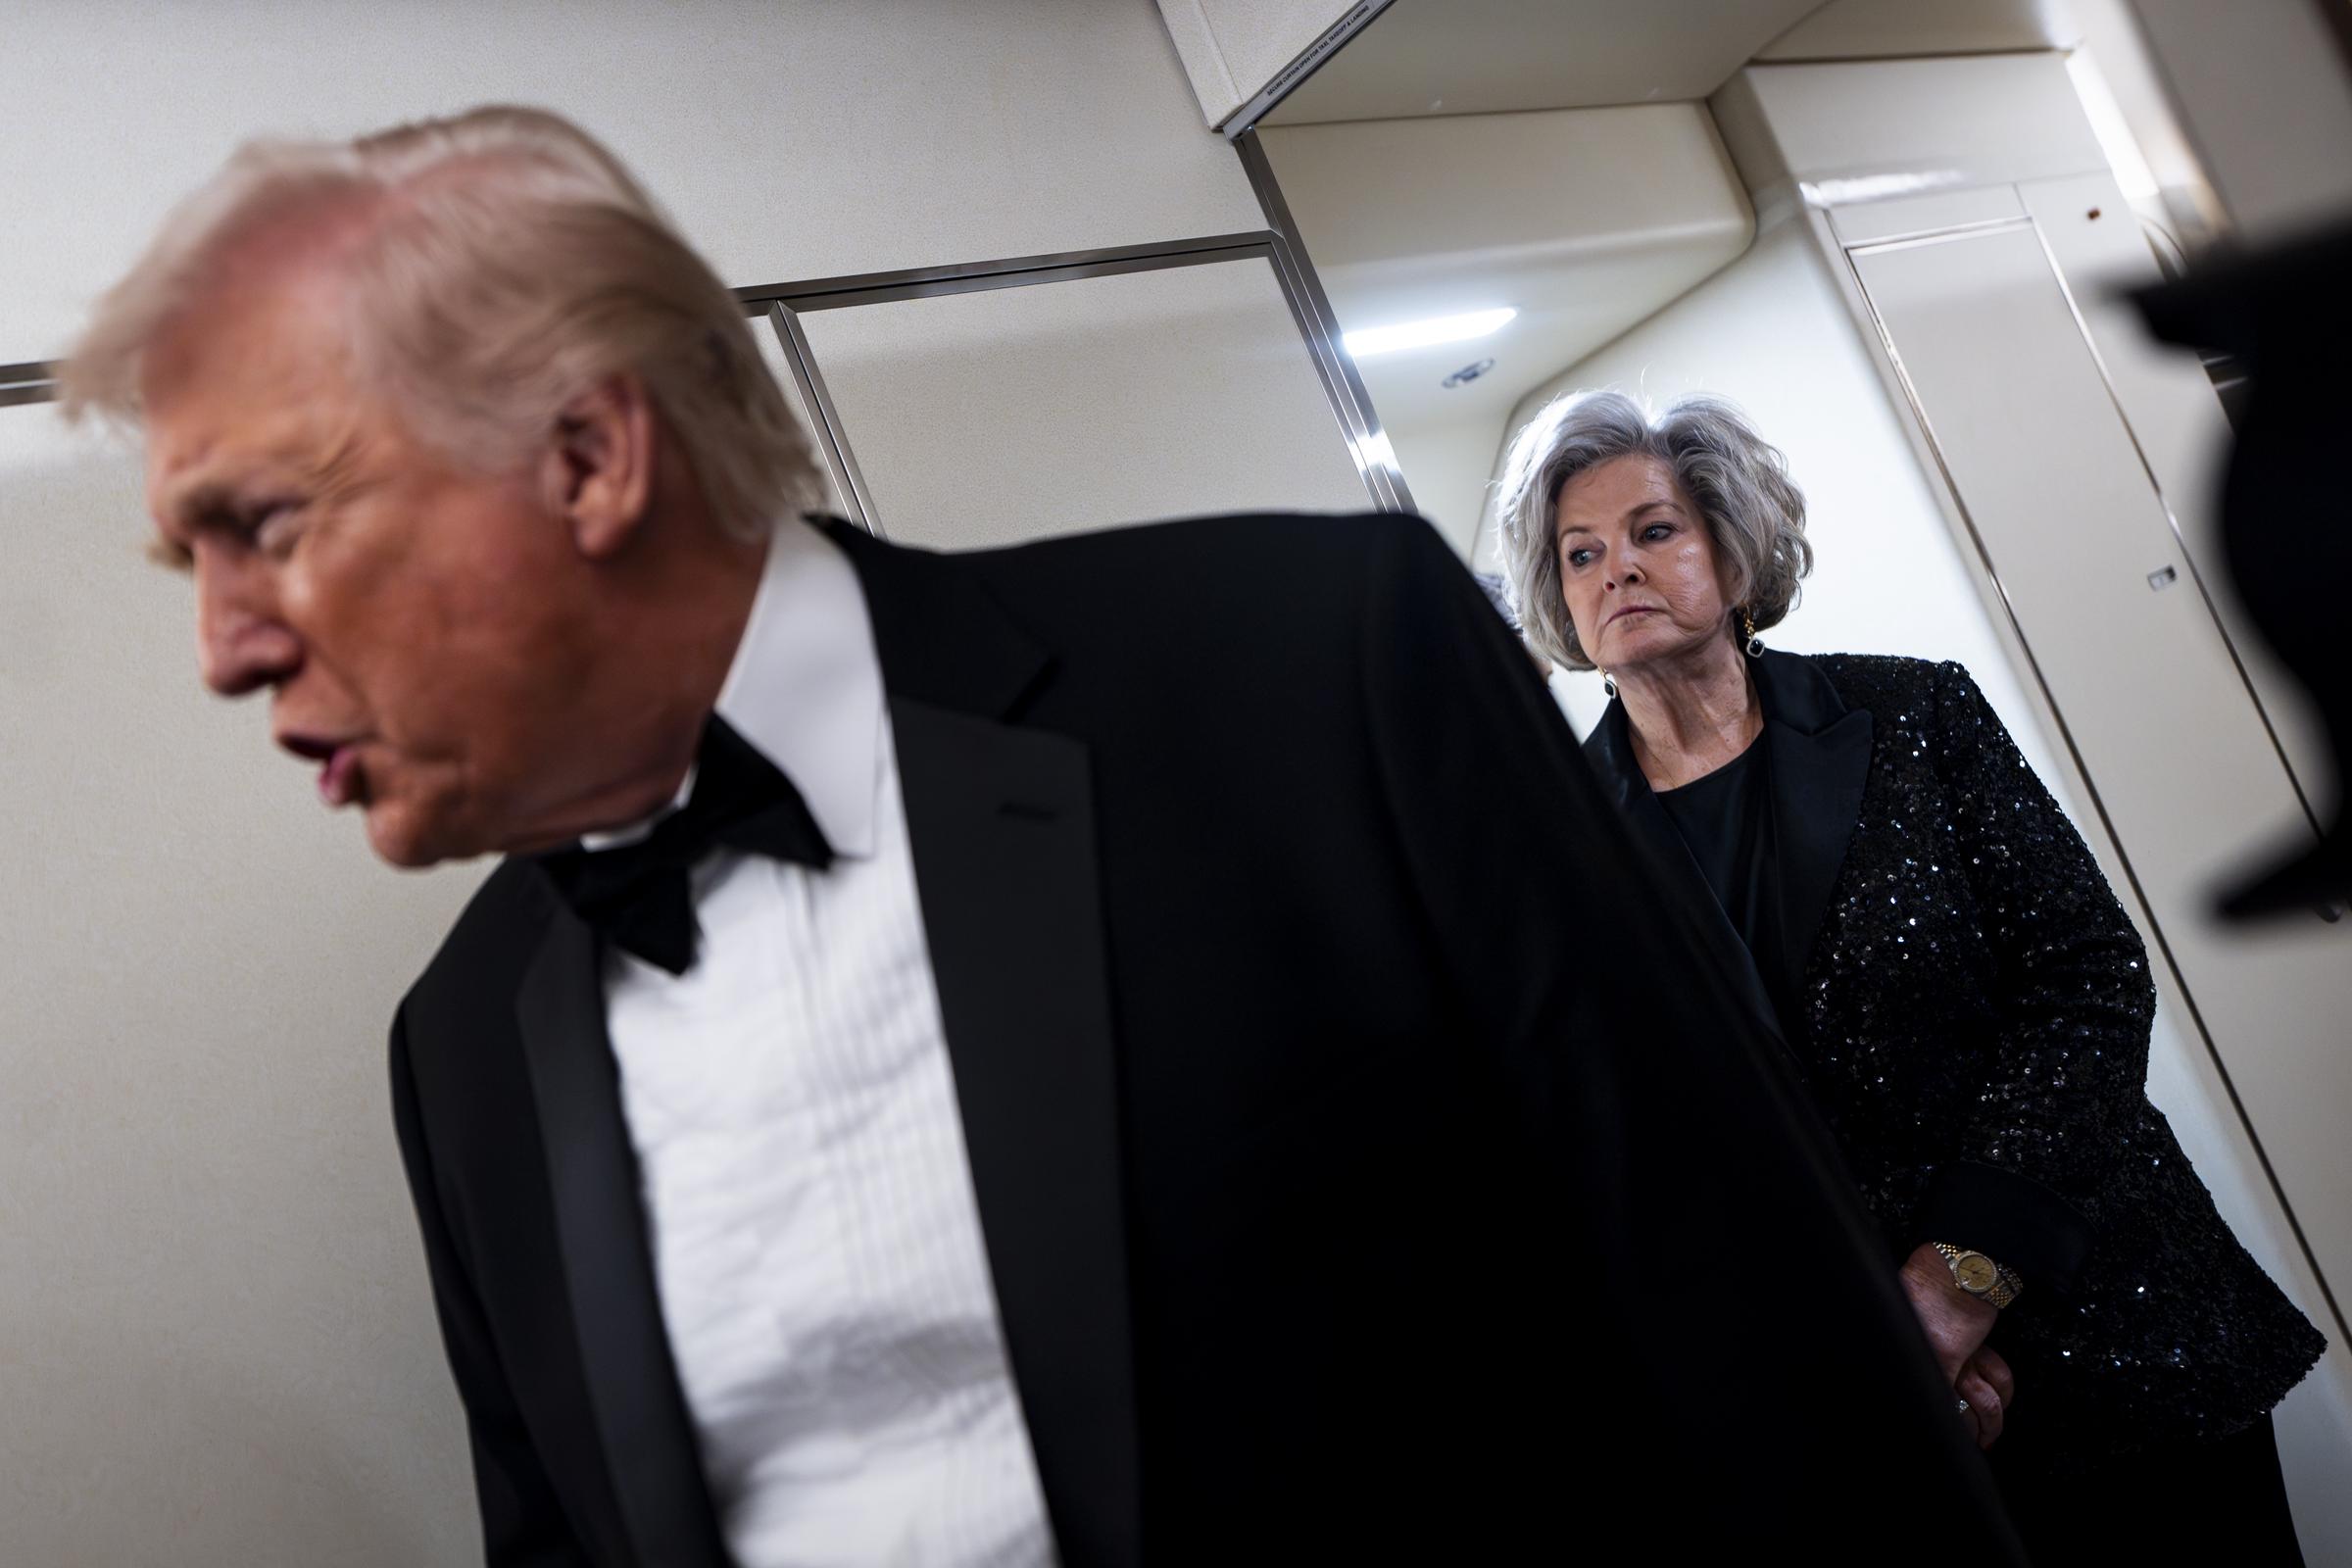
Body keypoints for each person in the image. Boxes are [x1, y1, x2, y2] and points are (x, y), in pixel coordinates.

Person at [65, 108, 2027, 1566]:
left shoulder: (1312, 673)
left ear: (586, 456)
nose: (227, 646)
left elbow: (1775, 1344)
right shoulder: (464, 1042)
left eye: (271, 522)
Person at [1496, 387, 2327, 1562]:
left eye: (1654, 530)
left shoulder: (1915, 712)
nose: (1615, 569)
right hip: (1871, 1399)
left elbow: (2086, 981)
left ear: (1735, 555)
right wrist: (1872, 1342)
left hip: (2109, 1320)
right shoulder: (1561, 853)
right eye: (1581, 553)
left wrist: (1957, 1284)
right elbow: (1635, 1149)